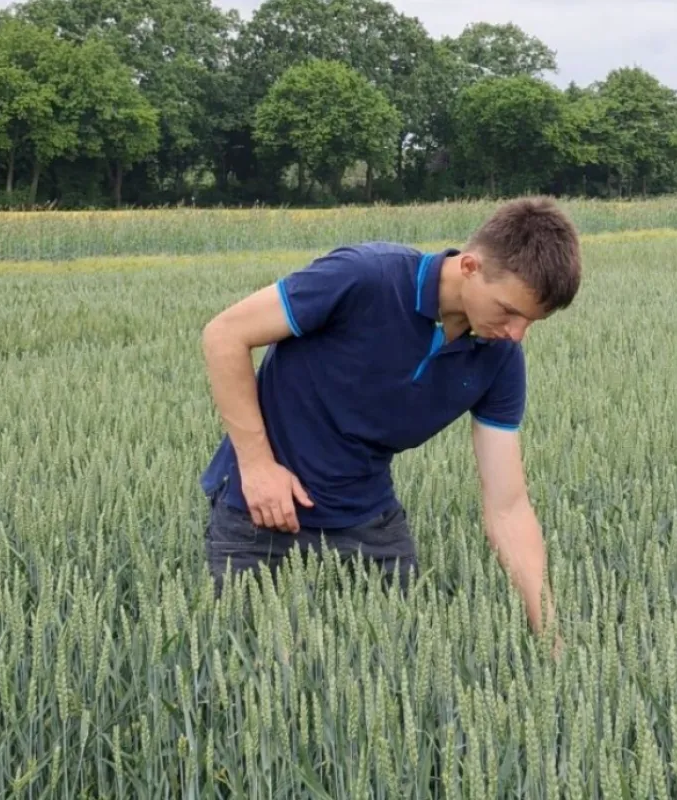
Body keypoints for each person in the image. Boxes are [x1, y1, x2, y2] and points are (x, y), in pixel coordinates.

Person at [197, 196, 580, 649]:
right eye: (508, 311)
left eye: (531, 321)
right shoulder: (366, 277)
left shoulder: (499, 361)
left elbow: (508, 507)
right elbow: (224, 335)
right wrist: (257, 467)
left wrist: (552, 637)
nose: (516, 333)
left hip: (367, 521)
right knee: (250, 676)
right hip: (260, 516)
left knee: (400, 671)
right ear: (471, 267)